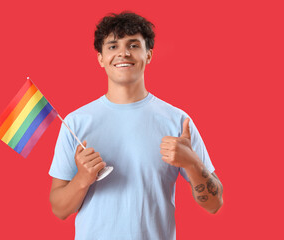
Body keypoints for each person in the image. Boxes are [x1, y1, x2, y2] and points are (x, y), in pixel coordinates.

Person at [49, 11, 223, 240]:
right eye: (112, 46)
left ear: (149, 54)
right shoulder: (76, 122)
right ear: (100, 58)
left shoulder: (178, 121)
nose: (123, 53)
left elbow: (214, 204)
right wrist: (82, 179)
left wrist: (191, 162)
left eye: (133, 45)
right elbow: (60, 209)